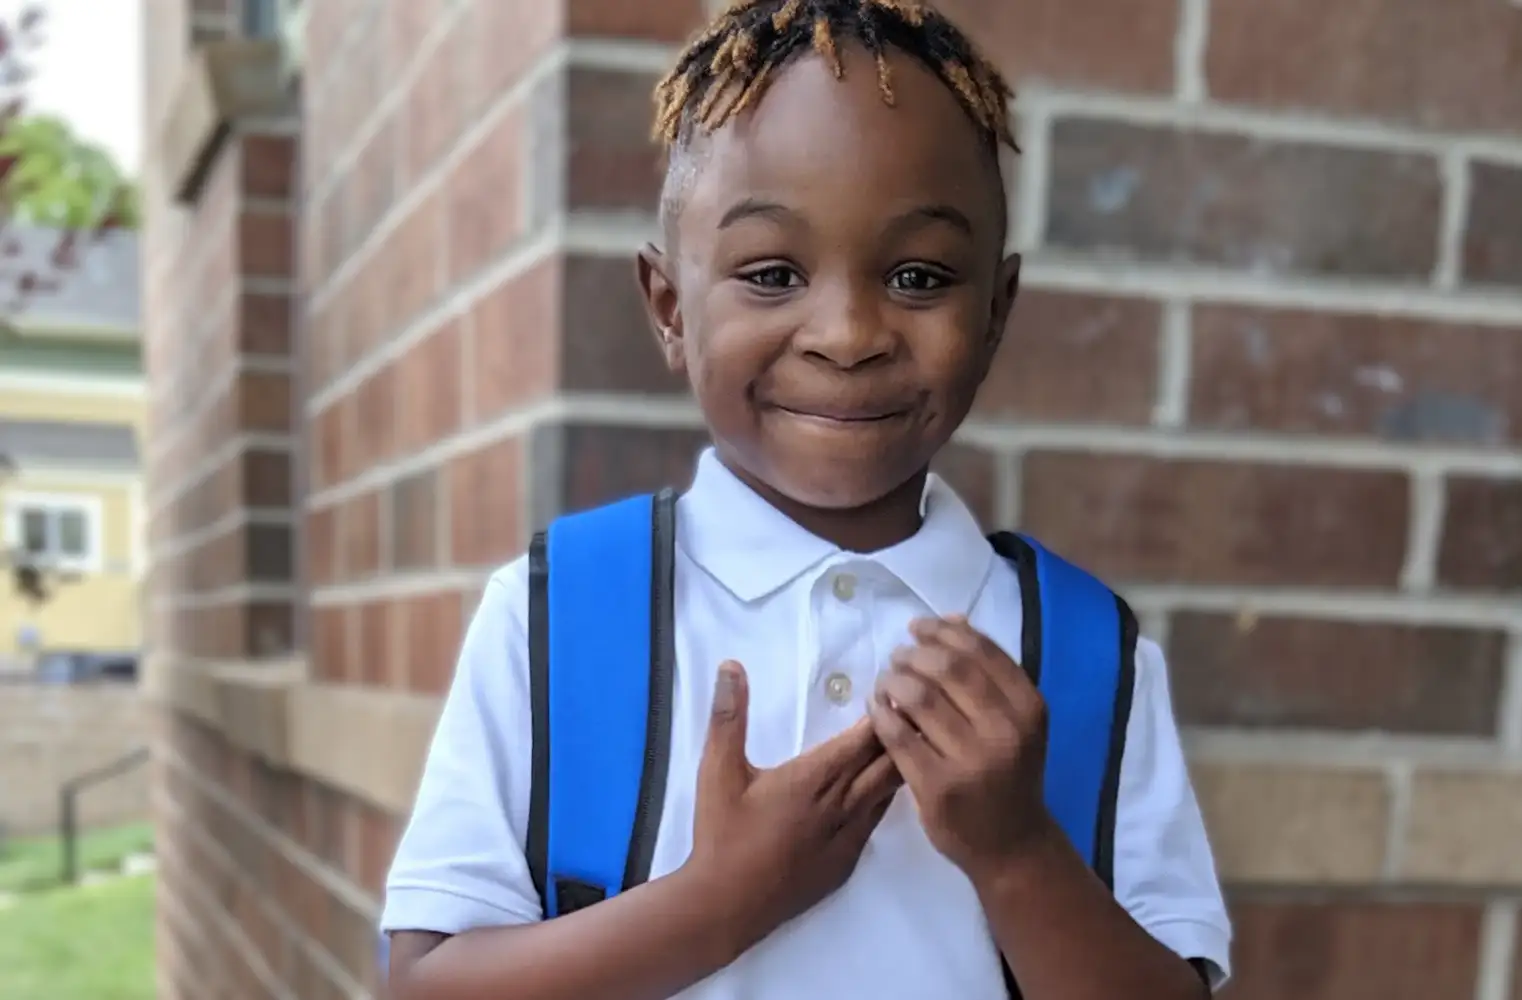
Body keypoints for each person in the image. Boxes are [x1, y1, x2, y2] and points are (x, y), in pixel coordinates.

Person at [379, 2, 1231, 998]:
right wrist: (725, 897)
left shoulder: (1090, 653)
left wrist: (1017, 852)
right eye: (773, 273)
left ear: (996, 312)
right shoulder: (557, 613)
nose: (847, 333)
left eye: (917, 276)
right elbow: (425, 983)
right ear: (669, 309)